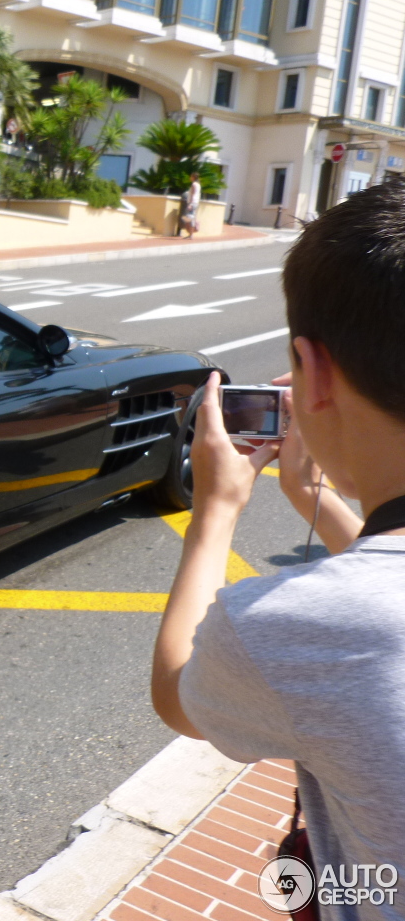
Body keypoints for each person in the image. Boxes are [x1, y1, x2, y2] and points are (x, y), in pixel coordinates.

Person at [151, 179, 405, 908]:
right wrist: (309, 497)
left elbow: (179, 694)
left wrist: (213, 513)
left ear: (313, 372)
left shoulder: (292, 631)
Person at [178, 171, 201, 239]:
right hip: (196, 203)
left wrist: (190, 204)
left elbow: (193, 195)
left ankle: (191, 235)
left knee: (189, 218)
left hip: (192, 203)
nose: (190, 178)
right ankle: (190, 234)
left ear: (193, 177)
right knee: (191, 218)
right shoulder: (198, 184)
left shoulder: (194, 184)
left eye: (191, 176)